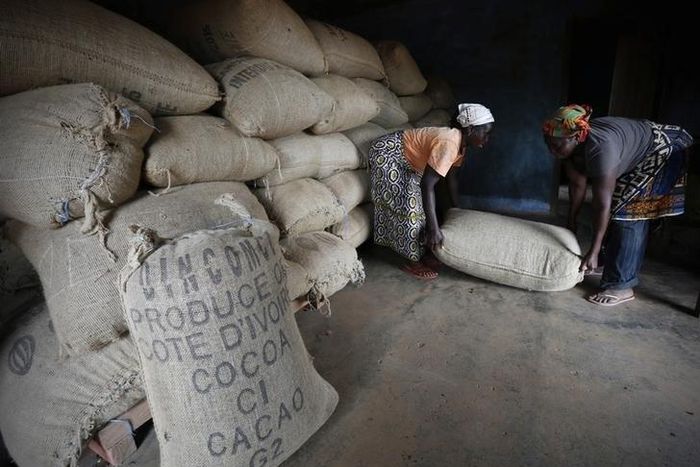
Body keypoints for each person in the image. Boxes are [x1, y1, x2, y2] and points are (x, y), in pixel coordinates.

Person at [543, 104, 694, 306]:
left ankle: (621, 285)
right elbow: (577, 184)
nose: (553, 151)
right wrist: (571, 222)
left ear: (576, 138)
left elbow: (601, 205)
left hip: (664, 149)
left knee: (627, 214)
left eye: (557, 145)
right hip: (636, 150)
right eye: (548, 144)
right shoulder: (569, 147)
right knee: (617, 207)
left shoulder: (601, 148)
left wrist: (593, 249)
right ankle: (603, 262)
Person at [368, 103, 495, 279]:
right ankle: (411, 261)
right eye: (486, 133)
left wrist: (457, 211)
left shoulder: (460, 146)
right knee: (411, 205)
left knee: (423, 207)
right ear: (471, 129)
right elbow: (427, 185)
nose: (487, 139)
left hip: (406, 160)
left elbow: (451, 179)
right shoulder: (449, 142)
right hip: (387, 153)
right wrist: (434, 228)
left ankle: (422, 252)